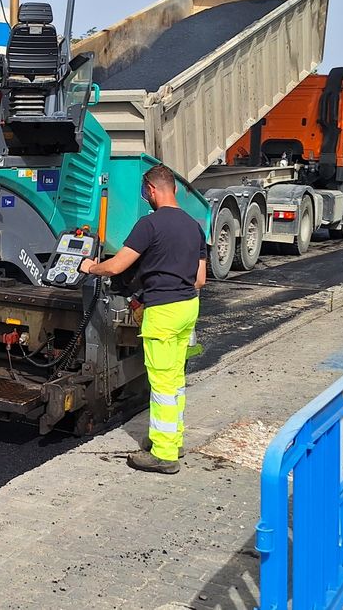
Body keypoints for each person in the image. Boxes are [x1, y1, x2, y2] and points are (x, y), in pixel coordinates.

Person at [78, 164, 207, 474]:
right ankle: (172, 439)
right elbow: (200, 280)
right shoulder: (195, 226)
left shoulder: (149, 225)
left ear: (151, 191)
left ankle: (164, 455)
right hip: (188, 308)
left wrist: (90, 267)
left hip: (162, 312)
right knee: (175, 380)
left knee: (161, 383)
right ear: (174, 188)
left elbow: (117, 267)